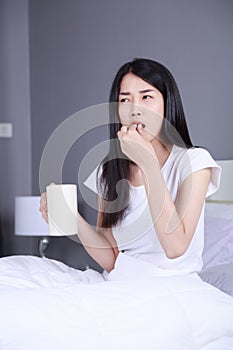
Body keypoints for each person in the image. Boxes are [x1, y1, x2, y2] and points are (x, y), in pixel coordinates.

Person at [40, 58, 221, 277]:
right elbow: (111, 259)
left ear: (167, 103)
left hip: (173, 285)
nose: (135, 109)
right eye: (125, 100)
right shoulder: (108, 171)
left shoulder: (194, 162)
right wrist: (73, 220)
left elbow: (175, 247)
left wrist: (148, 164)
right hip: (121, 283)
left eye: (146, 97)